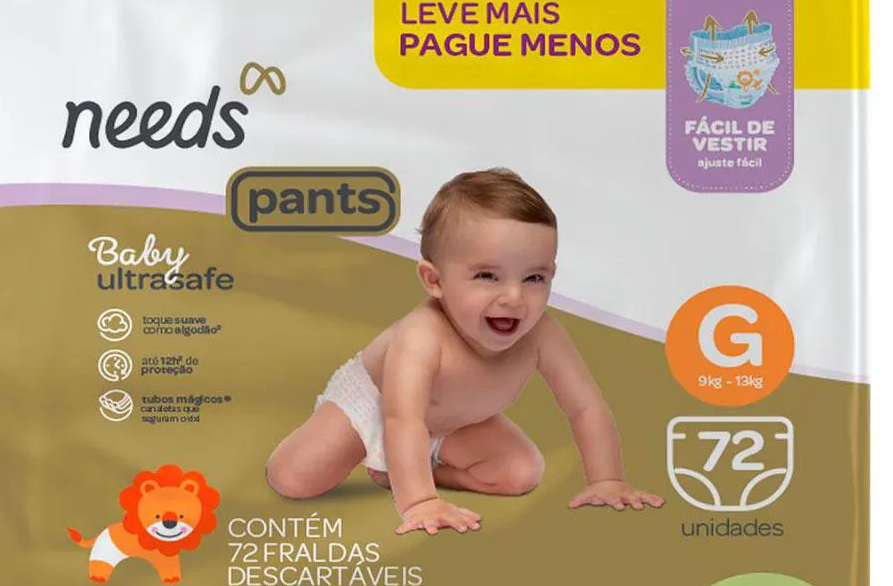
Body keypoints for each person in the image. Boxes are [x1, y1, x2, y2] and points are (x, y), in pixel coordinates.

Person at [266, 168, 663, 535]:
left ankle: (413, 471)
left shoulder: (544, 335)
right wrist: (420, 503)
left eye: (534, 278)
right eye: (487, 275)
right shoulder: (422, 335)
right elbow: (402, 419)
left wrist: (606, 478)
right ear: (434, 280)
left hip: (454, 424)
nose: (514, 298)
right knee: (294, 478)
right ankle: (406, 476)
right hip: (376, 405)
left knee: (520, 473)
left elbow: (586, 408)